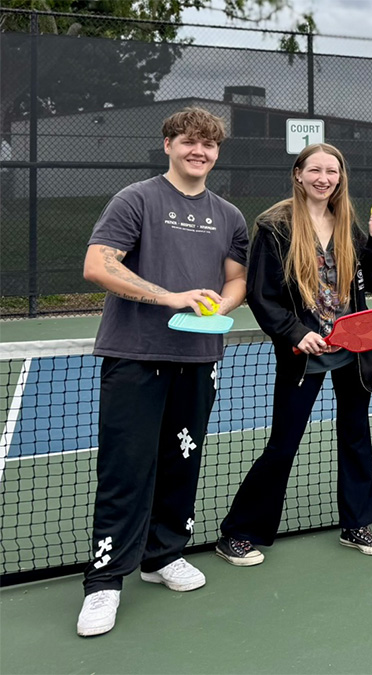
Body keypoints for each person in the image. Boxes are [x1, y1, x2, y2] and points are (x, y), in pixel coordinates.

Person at [76, 107, 248, 637]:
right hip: (135, 354)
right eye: (190, 142)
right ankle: (105, 582)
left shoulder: (230, 215)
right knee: (127, 470)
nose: (201, 151)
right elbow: (98, 263)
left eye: (210, 145)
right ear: (169, 143)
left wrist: (223, 305)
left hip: (198, 361)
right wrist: (168, 296)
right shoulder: (137, 199)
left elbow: (236, 279)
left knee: (181, 463)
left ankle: (163, 555)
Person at [214, 143, 372, 567]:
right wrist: (297, 333)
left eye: (332, 171)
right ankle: (238, 532)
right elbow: (261, 294)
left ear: (340, 177)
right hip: (304, 354)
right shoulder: (274, 225)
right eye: (315, 169)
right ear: (298, 174)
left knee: (355, 437)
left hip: (353, 351)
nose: (324, 178)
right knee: (284, 443)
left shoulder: (348, 223)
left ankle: (357, 524)